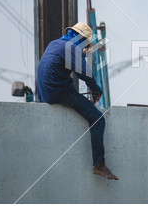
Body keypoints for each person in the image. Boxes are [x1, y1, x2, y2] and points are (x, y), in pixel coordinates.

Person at [36, 22, 118, 180]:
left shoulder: (55, 43)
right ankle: (99, 165)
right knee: (98, 120)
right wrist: (96, 90)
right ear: (81, 39)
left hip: (44, 94)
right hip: (58, 91)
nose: (86, 49)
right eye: (86, 44)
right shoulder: (72, 47)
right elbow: (85, 73)